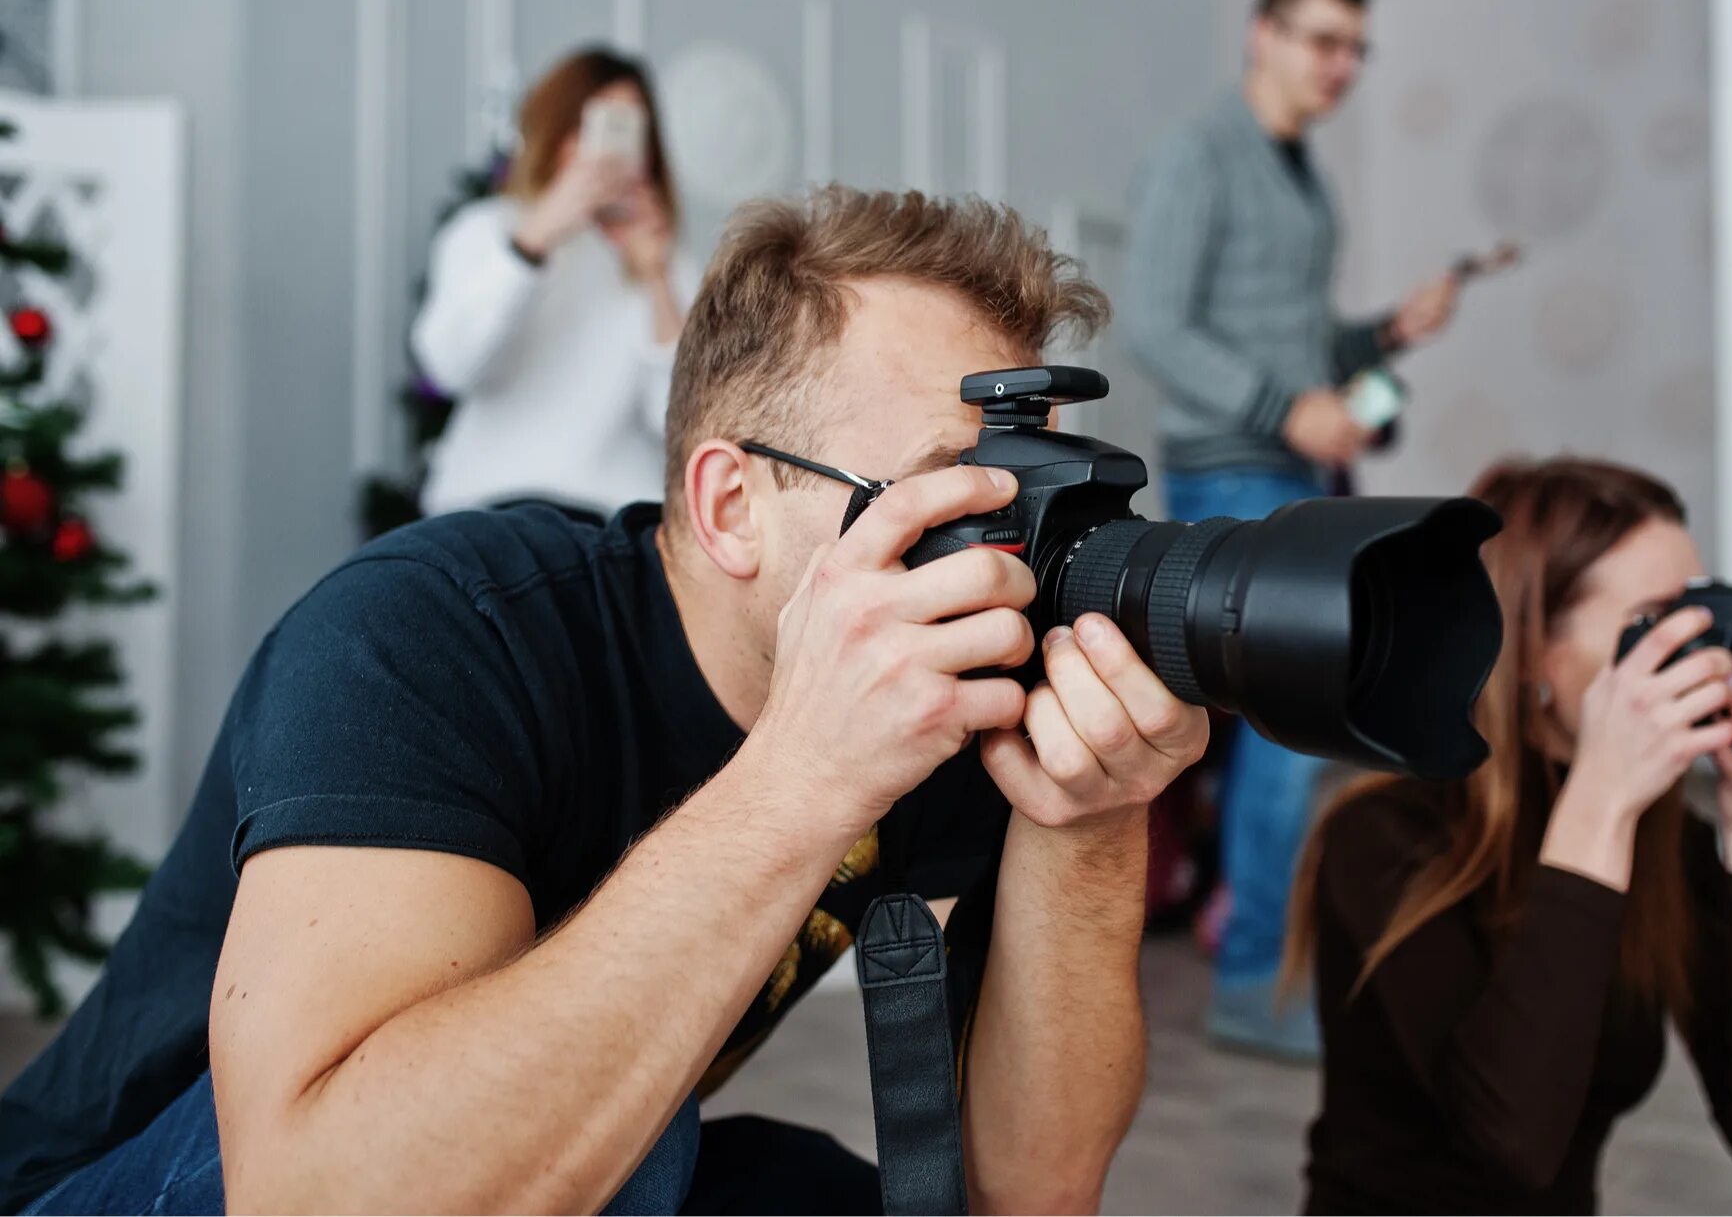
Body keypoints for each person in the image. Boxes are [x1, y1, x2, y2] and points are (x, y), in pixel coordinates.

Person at [0, 187, 1213, 1215]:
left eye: (1033, 496)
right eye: (958, 492)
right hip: (138, 1179)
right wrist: (804, 776)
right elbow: (313, 1183)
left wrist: (1090, 822)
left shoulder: (952, 681)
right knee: (623, 1143)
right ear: (732, 502)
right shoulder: (439, 628)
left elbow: (1027, 1192)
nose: (1009, 549)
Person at [1288, 458, 1732, 1214]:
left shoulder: (1664, 841)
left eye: (1704, 618)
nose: (1706, 659)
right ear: (1529, 654)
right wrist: (1600, 809)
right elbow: (1513, 1140)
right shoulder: (1383, 836)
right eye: (1660, 624)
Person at [1119, 0, 1466, 1059]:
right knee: (1286, 734)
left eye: (1356, 49)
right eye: (1323, 41)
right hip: (1232, 469)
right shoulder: (1197, 155)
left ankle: (1265, 962)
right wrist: (1287, 407)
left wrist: (1384, 336)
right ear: (1261, 35)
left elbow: (1297, 341)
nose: (1342, 67)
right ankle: (1255, 978)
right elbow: (1155, 324)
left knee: (1301, 732)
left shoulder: (1300, 172)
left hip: (1290, 469)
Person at [413, 46, 702, 517]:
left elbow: (680, 418)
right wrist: (537, 237)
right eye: (602, 127)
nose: (614, 151)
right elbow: (452, 366)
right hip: (484, 508)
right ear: (560, 134)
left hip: (610, 516)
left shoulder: (667, 264)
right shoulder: (489, 229)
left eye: (631, 131)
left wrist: (656, 277)